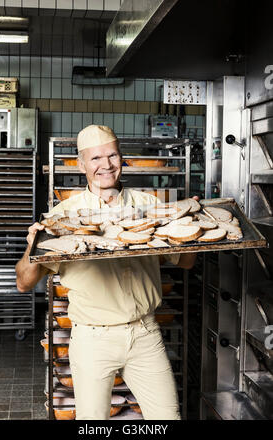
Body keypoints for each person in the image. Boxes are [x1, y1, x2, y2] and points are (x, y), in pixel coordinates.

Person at [16, 125, 197, 420]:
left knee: (168, 418)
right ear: (81, 163)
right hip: (92, 338)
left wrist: (187, 228)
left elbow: (186, 263)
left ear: (121, 158)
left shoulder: (150, 206)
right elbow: (24, 283)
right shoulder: (63, 217)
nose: (106, 165)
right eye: (96, 158)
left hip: (144, 333)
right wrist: (33, 247)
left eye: (112, 155)